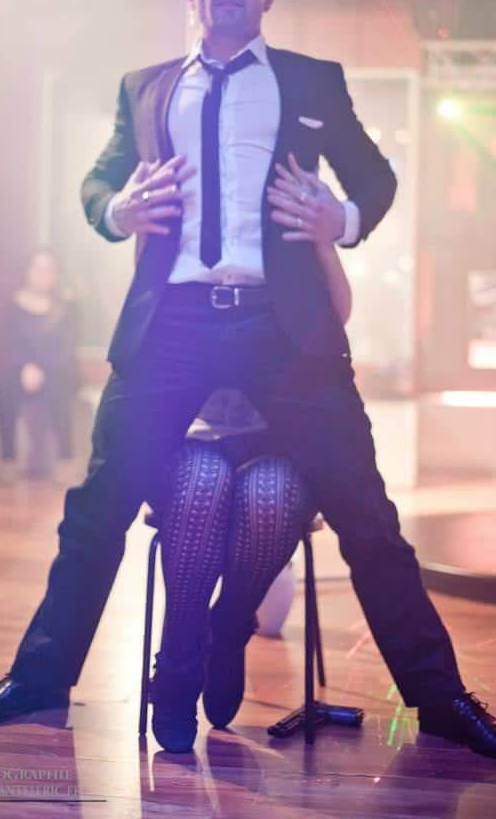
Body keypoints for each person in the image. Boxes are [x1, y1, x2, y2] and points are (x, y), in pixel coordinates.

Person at [0, 0, 496, 766]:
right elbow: (98, 182)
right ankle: (39, 679)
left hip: (281, 326)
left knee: (369, 518)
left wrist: (342, 217)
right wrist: (115, 210)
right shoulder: (145, 88)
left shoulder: (312, 81)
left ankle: (441, 701)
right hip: (173, 323)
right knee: (96, 509)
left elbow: (375, 177)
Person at [150, 234, 350, 753]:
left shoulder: (279, 223)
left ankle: (230, 624)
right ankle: (179, 649)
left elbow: (335, 316)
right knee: (203, 484)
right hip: (192, 428)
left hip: (279, 432)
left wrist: (324, 238)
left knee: (269, 498)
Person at [0, 247, 79, 486]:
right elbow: (9, 342)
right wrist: (26, 367)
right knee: (5, 388)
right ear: (28, 271)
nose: (43, 274)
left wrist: (43, 369)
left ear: (56, 274)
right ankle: (7, 460)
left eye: (48, 269)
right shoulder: (13, 305)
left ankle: (66, 461)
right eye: (37, 268)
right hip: (22, 370)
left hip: (57, 370)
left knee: (59, 389)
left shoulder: (67, 306)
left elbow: (67, 346)